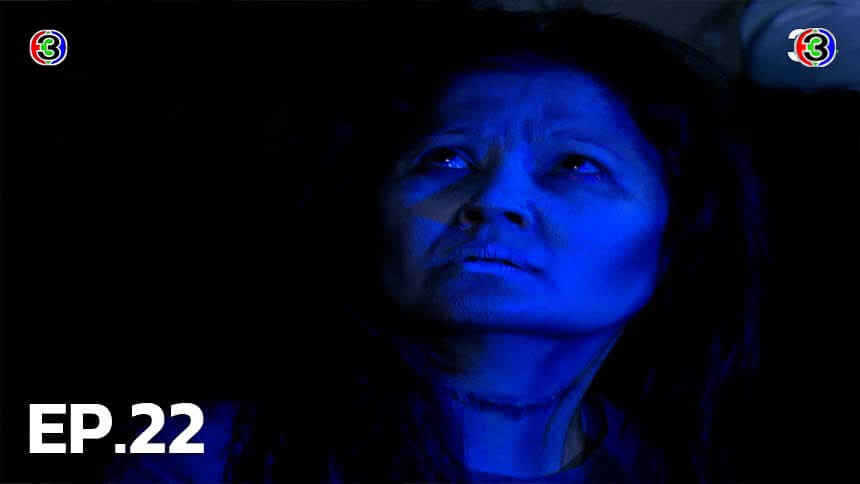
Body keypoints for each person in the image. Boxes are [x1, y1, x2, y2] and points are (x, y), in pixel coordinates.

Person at [107, 5, 765, 483]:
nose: (495, 200)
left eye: (575, 165)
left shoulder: (673, 465)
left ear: (678, 236)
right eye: (446, 159)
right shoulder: (209, 458)